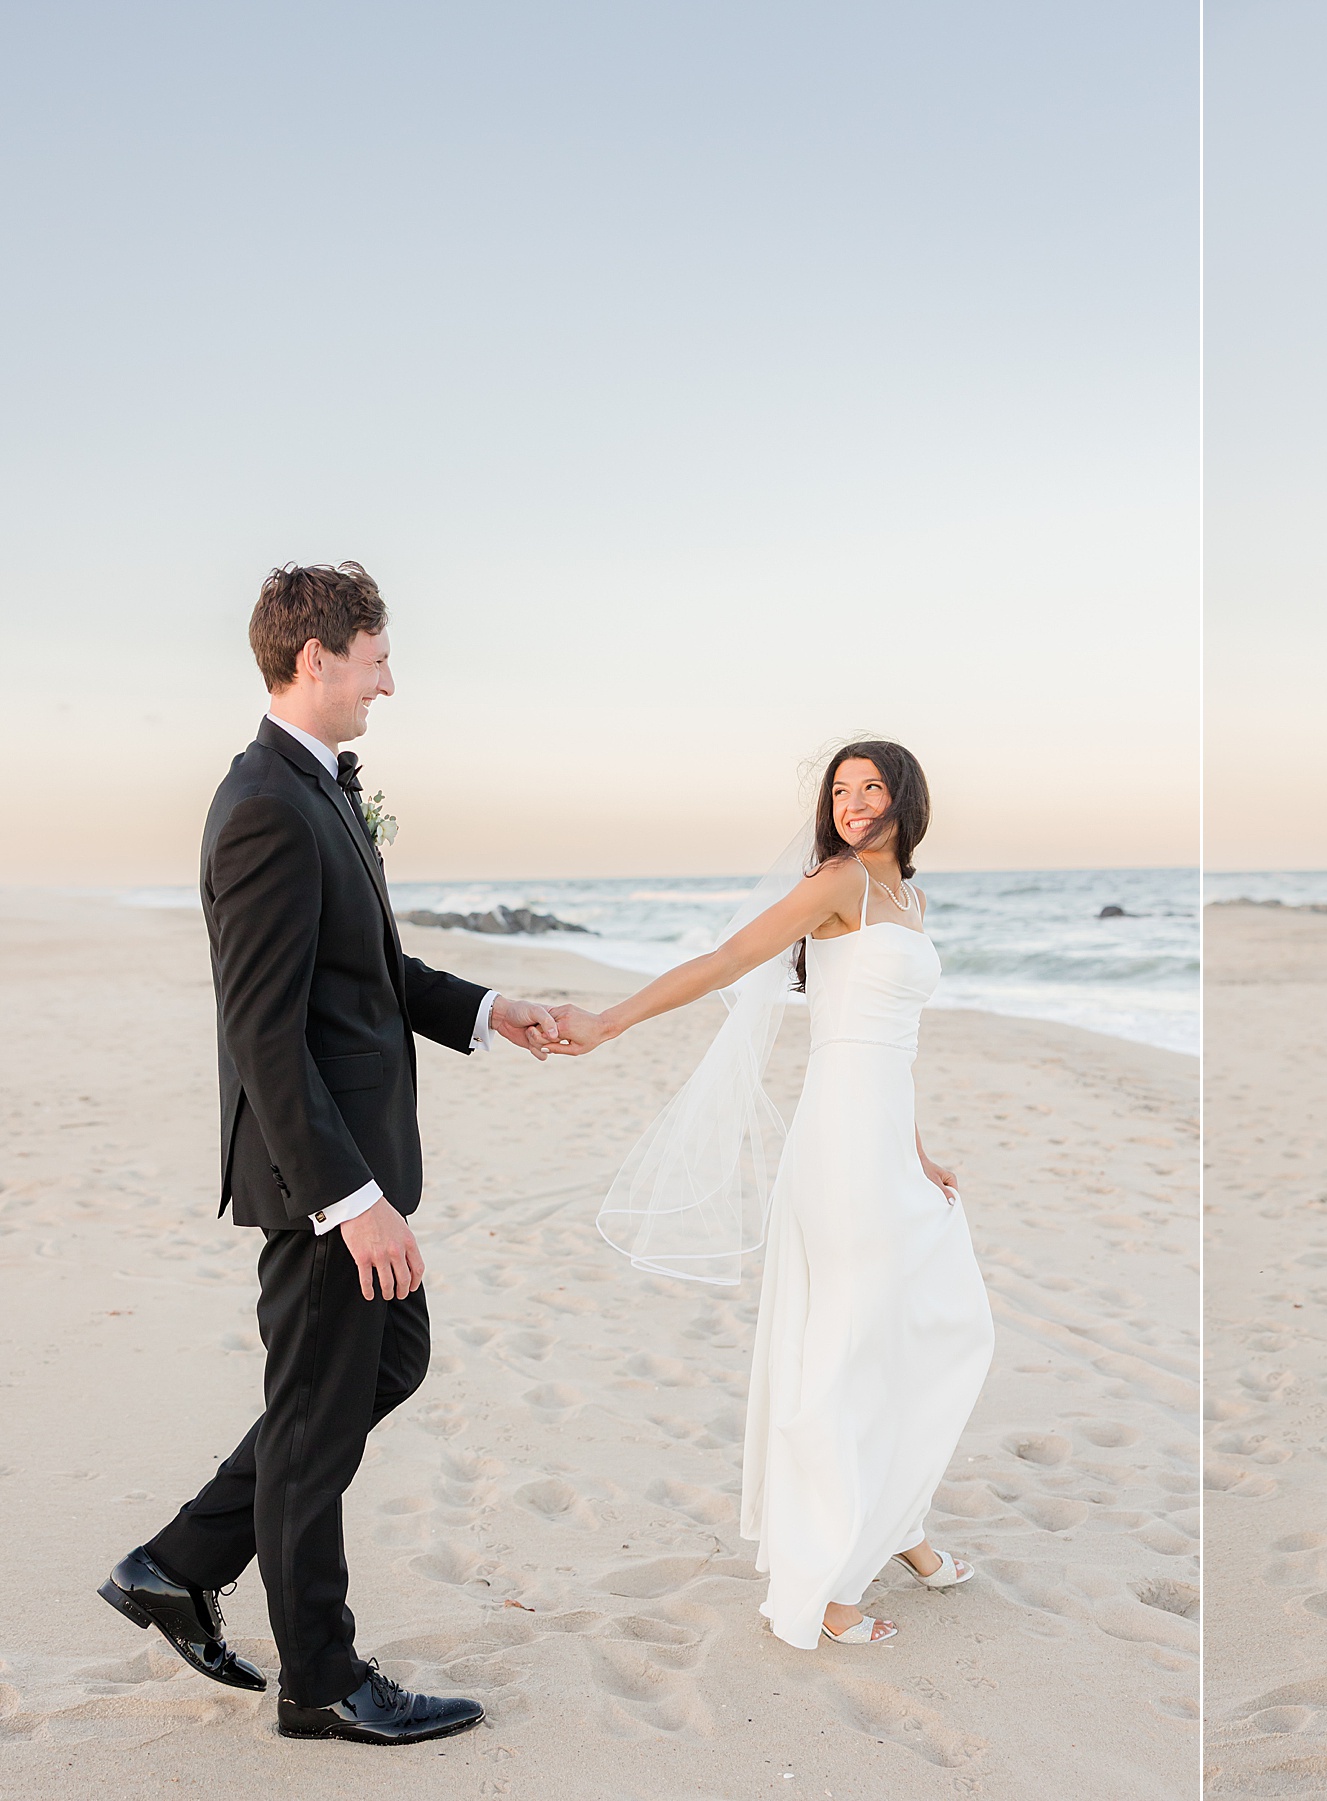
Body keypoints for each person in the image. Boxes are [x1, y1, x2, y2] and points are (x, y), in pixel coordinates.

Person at [98, 562, 567, 1745]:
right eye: (376, 657)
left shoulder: (312, 789)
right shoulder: (263, 802)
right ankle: (321, 1678)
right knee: (316, 1417)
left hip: (349, 1170)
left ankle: (177, 1562)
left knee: (379, 1370)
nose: (389, 682)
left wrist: (487, 1008)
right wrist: (348, 1199)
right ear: (317, 659)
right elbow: (263, 1029)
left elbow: (367, 975)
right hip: (324, 1182)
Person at [559, 741, 995, 1648]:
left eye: (870, 786)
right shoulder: (836, 886)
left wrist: (917, 1150)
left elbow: (884, 1044)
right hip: (838, 1149)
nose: (852, 801)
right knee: (848, 1348)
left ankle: (900, 1523)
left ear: (906, 797)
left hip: (884, 1143)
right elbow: (726, 960)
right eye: (839, 789)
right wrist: (608, 1021)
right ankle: (828, 1583)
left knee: (942, 1326)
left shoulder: (908, 899)